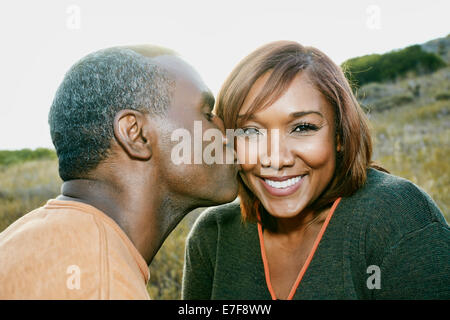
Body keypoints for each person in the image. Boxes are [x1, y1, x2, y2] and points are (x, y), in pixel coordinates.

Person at [182, 41, 450, 299]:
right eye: (251, 131)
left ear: (340, 136)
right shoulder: (213, 236)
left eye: (303, 128)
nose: (277, 158)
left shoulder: (397, 216)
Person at [0, 45, 238, 299]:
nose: (226, 132)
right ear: (136, 134)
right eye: (206, 114)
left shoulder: (20, 240)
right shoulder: (103, 286)